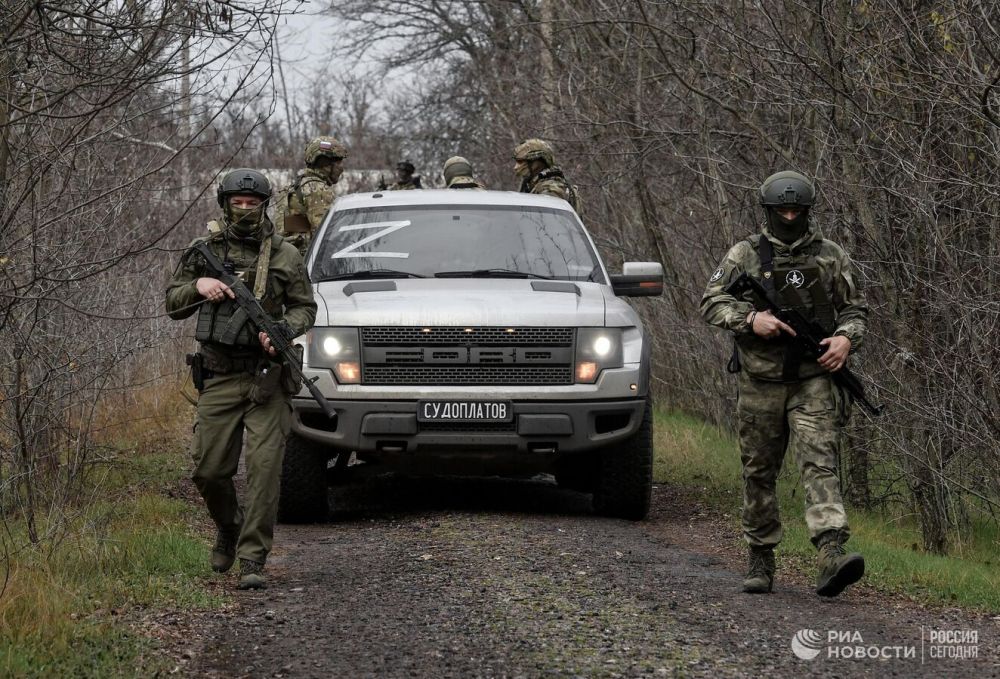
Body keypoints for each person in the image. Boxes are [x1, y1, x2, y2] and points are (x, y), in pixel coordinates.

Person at [700, 170, 868, 598]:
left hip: (812, 380)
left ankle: (831, 550)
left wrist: (845, 340)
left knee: (820, 462)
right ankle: (760, 554)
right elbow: (711, 301)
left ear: (808, 212)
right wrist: (750, 318)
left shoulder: (830, 255)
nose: (790, 216)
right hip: (760, 381)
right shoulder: (744, 255)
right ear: (769, 211)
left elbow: (854, 309)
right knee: (759, 470)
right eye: (783, 210)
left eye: (797, 210)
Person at [166, 168, 317, 590]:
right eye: (238, 203)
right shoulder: (204, 251)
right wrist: (200, 284)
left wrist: (283, 330)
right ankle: (229, 528)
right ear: (225, 204)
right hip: (218, 374)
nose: (245, 210)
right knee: (209, 471)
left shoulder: (286, 254)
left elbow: (307, 308)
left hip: (268, 378)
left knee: (265, 471)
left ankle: (252, 558)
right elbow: (172, 303)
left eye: (253, 204)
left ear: (265, 205)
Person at [274, 136, 349, 257]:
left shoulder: (294, 187)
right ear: (325, 163)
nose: (342, 168)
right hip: (307, 260)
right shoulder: (318, 190)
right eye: (339, 162)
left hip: (286, 258)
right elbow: (327, 234)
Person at [513, 138, 580, 212]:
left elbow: (546, 220)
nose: (516, 167)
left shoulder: (551, 190)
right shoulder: (533, 184)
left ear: (537, 162)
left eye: (520, 161)